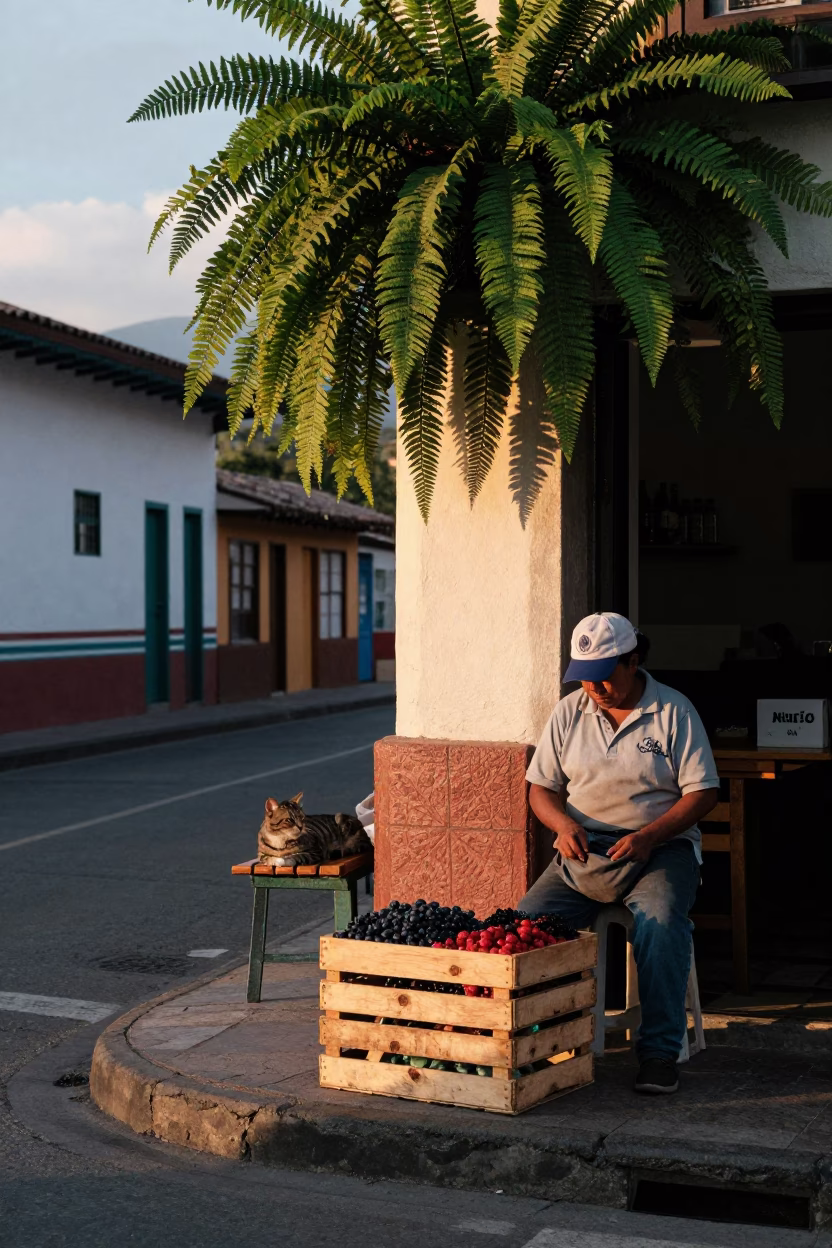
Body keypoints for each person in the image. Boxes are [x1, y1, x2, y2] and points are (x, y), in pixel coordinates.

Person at [517, 611, 719, 1095]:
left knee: (662, 923)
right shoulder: (569, 711)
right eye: (584, 679)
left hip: (662, 848)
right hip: (583, 850)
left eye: (604, 676)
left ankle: (658, 1053)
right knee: (523, 924)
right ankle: (534, 1046)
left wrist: (649, 836)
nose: (595, 688)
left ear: (633, 660)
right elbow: (540, 789)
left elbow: (703, 792)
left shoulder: (673, 710)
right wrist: (563, 825)